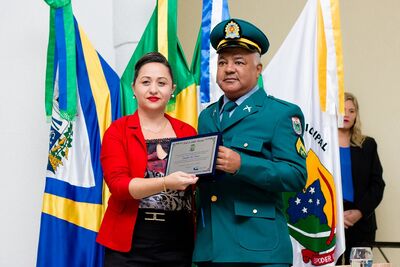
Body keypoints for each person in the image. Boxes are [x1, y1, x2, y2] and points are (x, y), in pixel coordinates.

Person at [192, 18, 307, 267]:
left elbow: (296, 176)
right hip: (209, 248)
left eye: (239, 62)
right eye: (222, 62)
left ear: (258, 69)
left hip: (260, 250)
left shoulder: (280, 114)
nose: (229, 68)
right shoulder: (207, 117)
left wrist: (241, 164)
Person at [96, 52, 199, 267]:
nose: (153, 89)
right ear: (133, 88)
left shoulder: (187, 131)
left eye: (162, 83)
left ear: (172, 89)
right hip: (130, 241)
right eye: (146, 82)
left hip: (179, 240)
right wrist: (165, 182)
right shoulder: (118, 131)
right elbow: (119, 186)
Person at [337, 92, 385, 265]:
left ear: (356, 114)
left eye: (351, 110)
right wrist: (335, 216)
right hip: (329, 222)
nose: (347, 115)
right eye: (342, 110)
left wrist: (359, 212)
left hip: (361, 221)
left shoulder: (368, 145)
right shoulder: (322, 145)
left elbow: (377, 185)